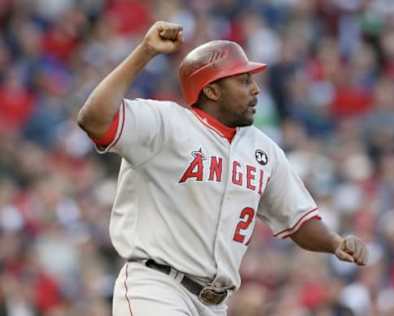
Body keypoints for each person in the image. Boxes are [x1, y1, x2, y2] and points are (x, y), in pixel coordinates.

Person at [77, 21, 368, 316]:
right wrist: (145, 52)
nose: (255, 90)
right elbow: (94, 119)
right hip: (156, 288)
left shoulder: (263, 150)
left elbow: (298, 221)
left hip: (215, 304)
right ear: (212, 91)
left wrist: (336, 242)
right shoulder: (165, 123)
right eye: (243, 81)